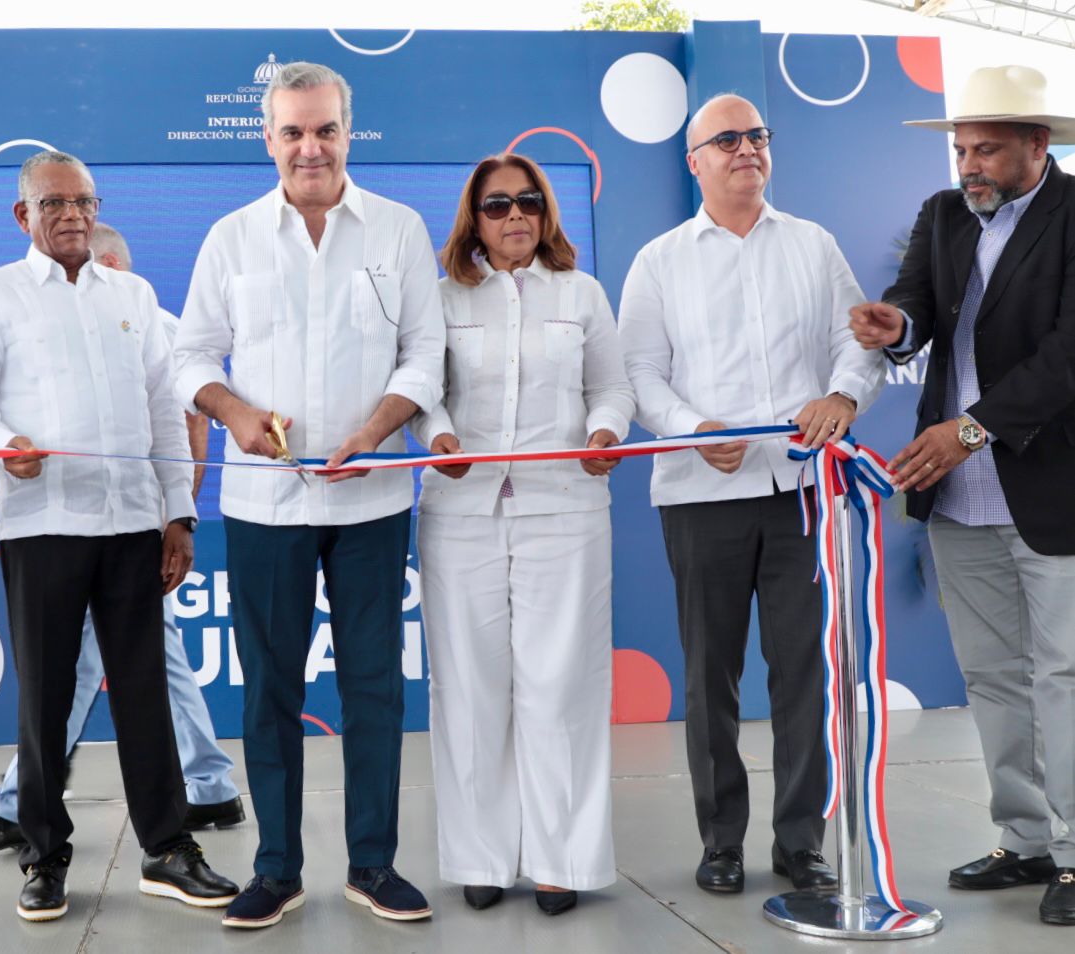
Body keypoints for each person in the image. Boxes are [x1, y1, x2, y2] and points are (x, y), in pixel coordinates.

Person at [174, 61, 445, 929]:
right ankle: (276, 869)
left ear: (347, 132)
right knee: (267, 694)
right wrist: (235, 414)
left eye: (325, 129)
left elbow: (425, 354)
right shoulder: (231, 238)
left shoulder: (398, 230)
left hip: (372, 503)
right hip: (266, 506)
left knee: (375, 690)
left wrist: (377, 428)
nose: (310, 147)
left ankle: (373, 865)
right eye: (292, 131)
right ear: (268, 139)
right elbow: (189, 358)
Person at [0, 151, 238, 922]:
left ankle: (168, 848)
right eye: (54, 203)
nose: (72, 215)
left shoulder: (133, 295)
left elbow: (164, 411)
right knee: (44, 700)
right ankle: (43, 856)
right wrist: (3, 444)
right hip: (41, 524)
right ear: (23, 215)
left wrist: (177, 515)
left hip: (132, 525)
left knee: (144, 693)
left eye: (83, 201)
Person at [617, 93, 885, 896]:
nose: (746, 149)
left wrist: (842, 397)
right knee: (711, 677)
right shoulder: (659, 260)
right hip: (700, 494)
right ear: (693, 161)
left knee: (803, 671)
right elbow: (638, 374)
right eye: (726, 139)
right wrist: (690, 427)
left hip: (800, 487)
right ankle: (720, 843)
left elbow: (857, 344)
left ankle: (801, 844)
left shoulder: (812, 244)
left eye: (756, 135)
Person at [849, 65, 1075, 926]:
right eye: (959, 150)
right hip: (956, 496)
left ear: (1035, 145)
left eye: (985, 149)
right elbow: (913, 301)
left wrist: (970, 431)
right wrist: (896, 326)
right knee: (991, 676)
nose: (968, 165)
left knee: (1063, 676)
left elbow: (1066, 356)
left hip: (1049, 487)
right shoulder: (943, 214)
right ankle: (1024, 839)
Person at [413, 154, 635, 916]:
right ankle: (479, 857)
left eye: (530, 202)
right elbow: (421, 391)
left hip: (565, 510)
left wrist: (605, 431)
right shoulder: (440, 298)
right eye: (497, 204)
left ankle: (558, 861)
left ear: (547, 214)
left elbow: (611, 386)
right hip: (459, 513)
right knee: (468, 686)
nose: (515, 215)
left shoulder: (581, 293)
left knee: (559, 684)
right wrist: (437, 437)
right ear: (472, 221)